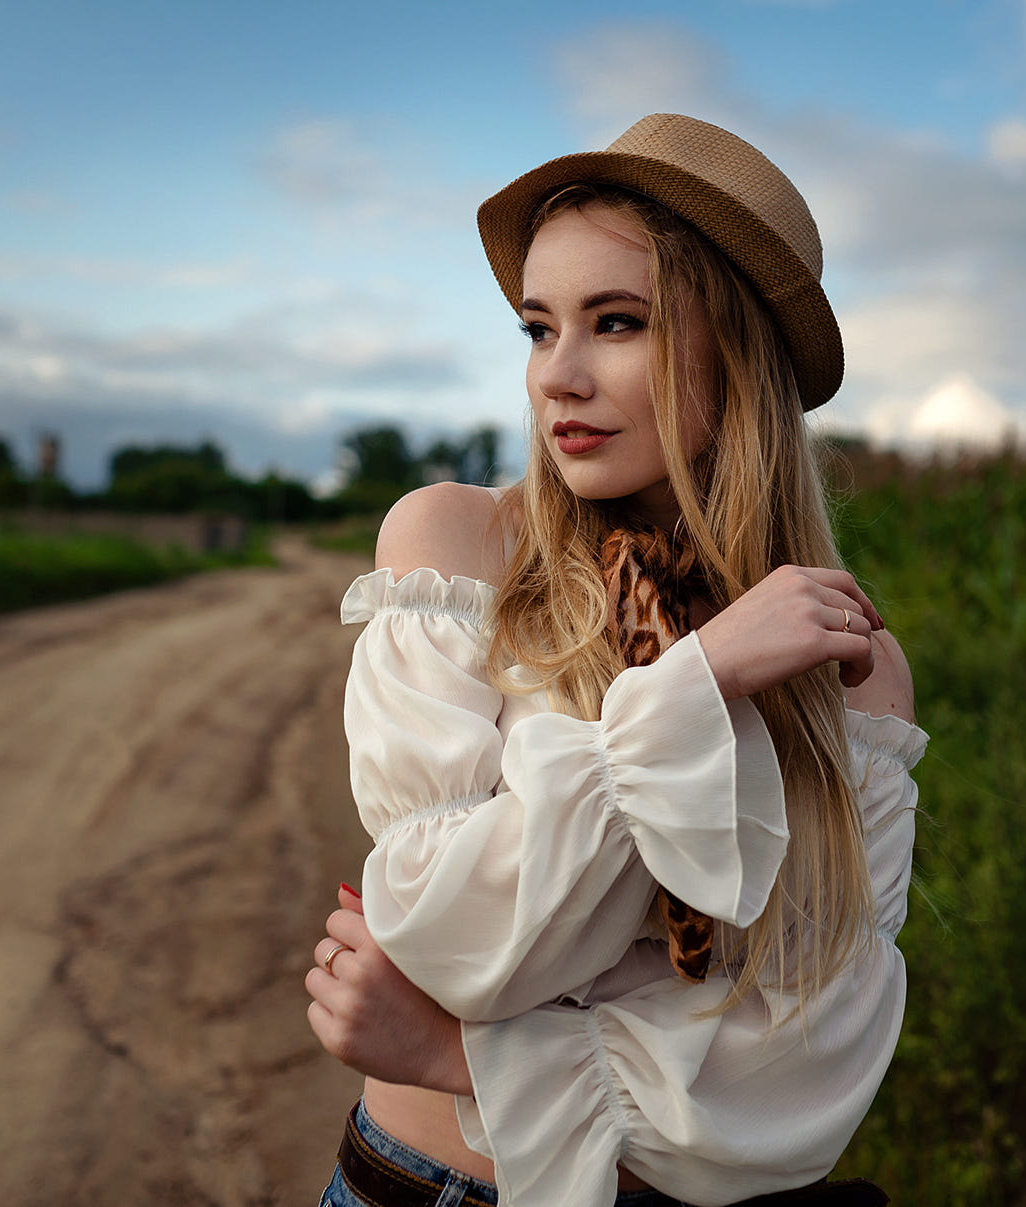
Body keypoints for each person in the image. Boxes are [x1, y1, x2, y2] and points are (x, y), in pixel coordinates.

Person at [303, 114, 926, 1207]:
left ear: (734, 351)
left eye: (618, 323)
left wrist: (464, 1059)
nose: (560, 376)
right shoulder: (457, 551)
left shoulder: (852, 668)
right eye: (540, 329)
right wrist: (696, 686)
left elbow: (809, 1068)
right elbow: (450, 931)